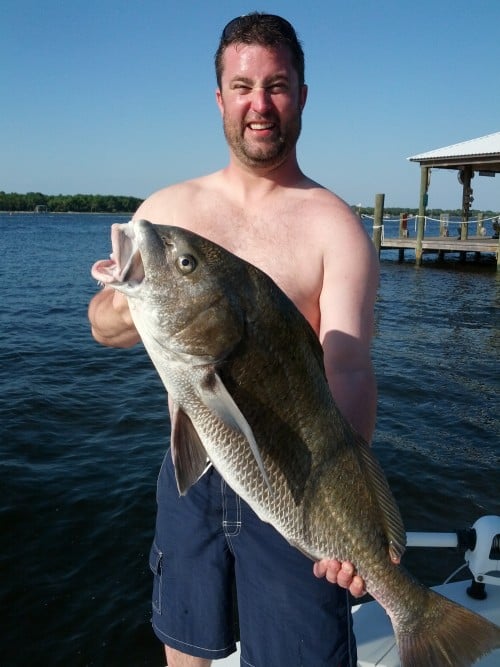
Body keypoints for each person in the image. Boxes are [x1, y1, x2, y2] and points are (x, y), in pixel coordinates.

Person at [89, 13, 379, 667]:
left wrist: (347, 512)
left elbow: (351, 369)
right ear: (219, 98)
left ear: (302, 94)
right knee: (186, 653)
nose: (259, 103)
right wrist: (143, 307)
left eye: (276, 85)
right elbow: (102, 323)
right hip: (190, 475)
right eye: (243, 85)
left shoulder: (337, 229)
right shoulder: (167, 215)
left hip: (294, 479)